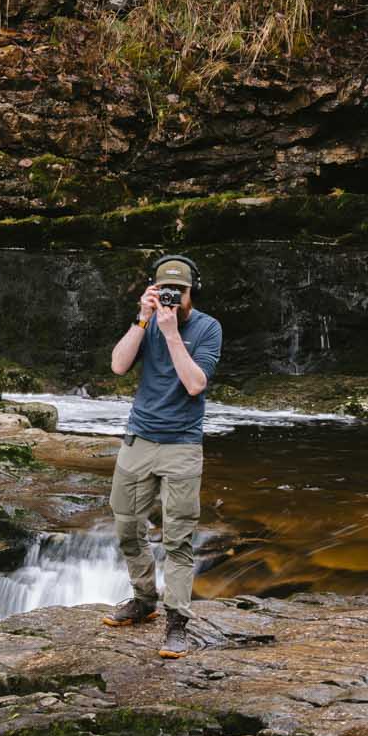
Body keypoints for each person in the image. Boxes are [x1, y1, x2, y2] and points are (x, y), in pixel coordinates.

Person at [101, 254, 221, 658]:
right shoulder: (147, 322)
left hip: (182, 446)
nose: (172, 298)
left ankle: (177, 622)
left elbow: (194, 384)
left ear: (192, 292)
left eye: (179, 292)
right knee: (127, 527)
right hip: (138, 440)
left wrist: (171, 334)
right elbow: (118, 366)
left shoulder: (207, 328)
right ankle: (143, 599)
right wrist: (142, 317)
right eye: (165, 290)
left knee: (178, 537)